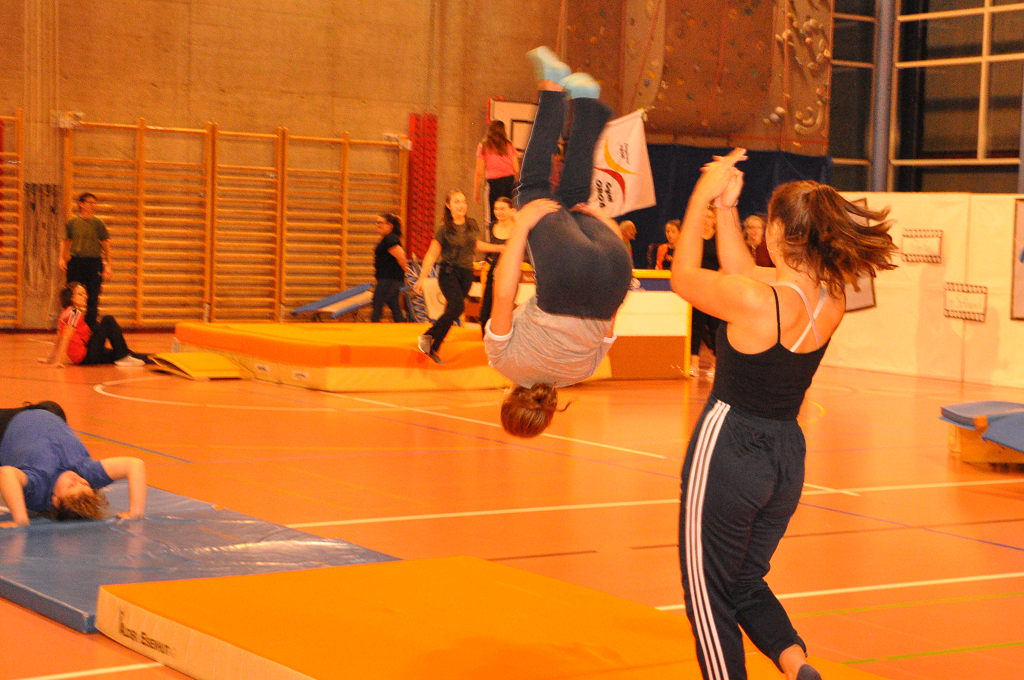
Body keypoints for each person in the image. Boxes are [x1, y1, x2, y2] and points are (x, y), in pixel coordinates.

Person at [670, 148, 897, 680]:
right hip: (785, 455)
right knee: (745, 580)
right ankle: (797, 666)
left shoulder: (759, 301)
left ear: (776, 233)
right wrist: (726, 209)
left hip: (731, 447)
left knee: (708, 593)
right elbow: (743, 272)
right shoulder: (830, 299)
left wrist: (702, 195)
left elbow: (684, 277)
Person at [484, 47, 633, 438]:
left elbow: (610, 322)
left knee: (570, 200)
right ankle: (552, 86)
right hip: (567, 276)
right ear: (508, 400)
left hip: (615, 271)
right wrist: (521, 226)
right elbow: (504, 293)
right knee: (532, 189)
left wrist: (613, 234)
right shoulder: (503, 362)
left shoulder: (582, 373)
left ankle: (587, 106)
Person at [0, 403, 147, 527]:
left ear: (55, 500)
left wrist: (20, 519)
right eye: (84, 484)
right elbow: (135, 465)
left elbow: (7, 473)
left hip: (7, 426)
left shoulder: (39, 485)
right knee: (55, 408)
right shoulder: (88, 473)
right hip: (50, 411)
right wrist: (135, 511)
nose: (77, 479)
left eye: (71, 486)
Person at [413, 190, 504, 363]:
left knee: (452, 310)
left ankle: (433, 347)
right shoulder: (444, 230)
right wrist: (421, 278)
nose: (461, 205)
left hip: (466, 274)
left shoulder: (471, 224)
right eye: (456, 202)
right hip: (449, 273)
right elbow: (432, 254)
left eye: (463, 201)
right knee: (457, 307)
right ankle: (427, 336)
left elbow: (476, 245)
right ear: (448, 205)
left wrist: (499, 248)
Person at [42, 282, 146, 367]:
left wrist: (50, 358)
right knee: (108, 320)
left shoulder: (65, 312)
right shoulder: (74, 313)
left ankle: (147, 357)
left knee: (119, 353)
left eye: (85, 294)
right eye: (80, 294)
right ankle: (124, 357)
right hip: (86, 356)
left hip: (86, 354)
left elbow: (58, 337)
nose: (85, 296)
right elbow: (65, 337)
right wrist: (58, 361)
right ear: (71, 298)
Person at [60, 192, 111, 328]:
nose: (92, 206)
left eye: (93, 203)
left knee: (93, 297)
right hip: (76, 262)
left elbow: (106, 244)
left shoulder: (98, 224)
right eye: (89, 202)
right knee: (72, 295)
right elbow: (65, 241)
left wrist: (108, 264)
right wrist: (61, 258)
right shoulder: (73, 222)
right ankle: (71, 326)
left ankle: (90, 328)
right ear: (81, 204)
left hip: (94, 263)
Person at [688, 206, 723, 378]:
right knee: (696, 325)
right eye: (704, 216)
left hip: (714, 287)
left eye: (710, 217)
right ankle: (693, 362)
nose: (706, 220)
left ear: (715, 220)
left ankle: (716, 363)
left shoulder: (719, 240)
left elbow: (724, 263)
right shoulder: (694, 238)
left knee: (715, 326)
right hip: (697, 287)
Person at [478, 196, 516, 336]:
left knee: (505, 306)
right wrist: (485, 260)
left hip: (510, 271)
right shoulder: (491, 226)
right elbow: (488, 247)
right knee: (487, 306)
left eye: (503, 209)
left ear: (511, 210)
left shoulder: (517, 228)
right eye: (496, 209)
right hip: (493, 269)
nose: (499, 212)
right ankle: (485, 336)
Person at [473, 120, 520, 224]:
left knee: (494, 215)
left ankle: (493, 232)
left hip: (493, 184)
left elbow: (479, 172)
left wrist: (476, 192)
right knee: (508, 214)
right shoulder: (509, 145)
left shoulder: (483, 146)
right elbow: (516, 169)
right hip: (509, 182)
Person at [371, 213, 411, 322]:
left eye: (381, 223)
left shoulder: (390, 238)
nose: (378, 225)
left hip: (389, 279)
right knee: (393, 304)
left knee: (377, 304)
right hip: (389, 278)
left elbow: (400, 255)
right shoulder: (388, 238)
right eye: (377, 223)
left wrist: (405, 268)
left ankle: (372, 327)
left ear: (390, 225)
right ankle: (401, 324)